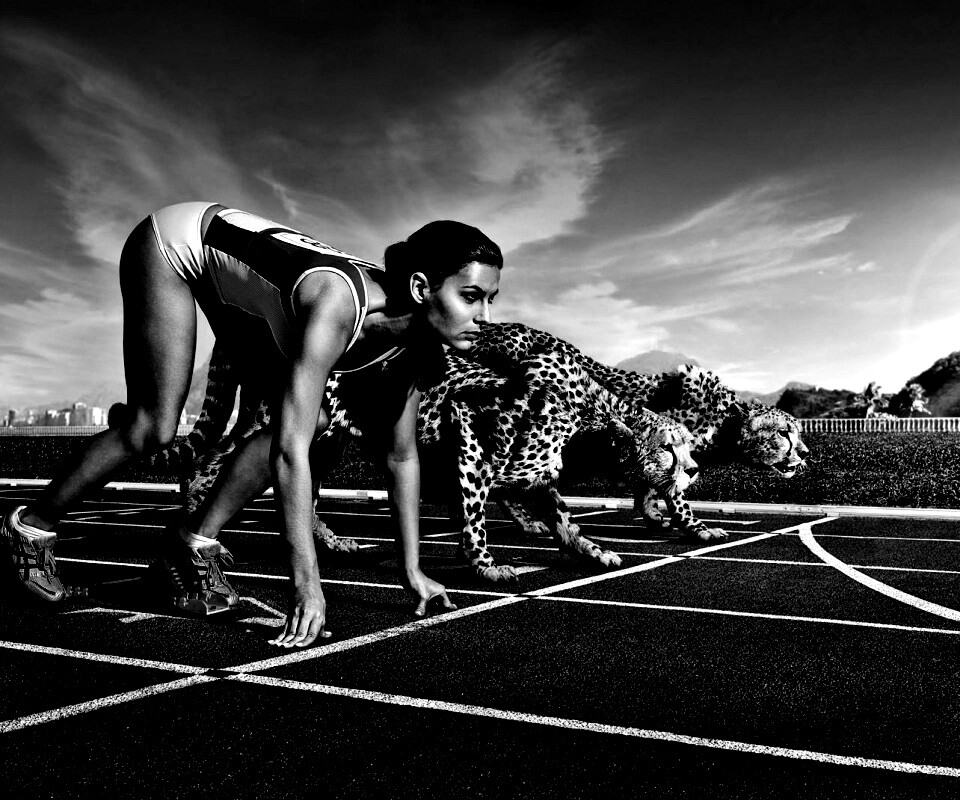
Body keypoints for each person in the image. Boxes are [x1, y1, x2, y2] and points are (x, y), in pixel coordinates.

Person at [2, 202, 503, 648]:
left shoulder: (417, 346)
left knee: (314, 419)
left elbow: (402, 456)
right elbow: (290, 453)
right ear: (420, 289)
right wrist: (306, 588)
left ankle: (191, 543)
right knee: (152, 428)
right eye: (471, 296)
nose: (484, 316)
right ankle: (29, 527)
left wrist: (412, 571)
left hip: (246, 288)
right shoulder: (339, 303)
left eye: (490, 300)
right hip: (175, 242)